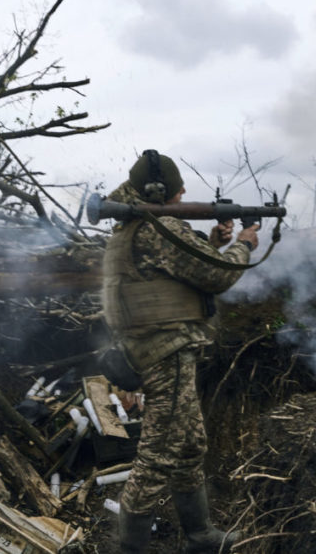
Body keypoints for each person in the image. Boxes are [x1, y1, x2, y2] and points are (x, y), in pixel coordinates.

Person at [101, 149, 258, 553]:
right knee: (158, 456)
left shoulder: (135, 225)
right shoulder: (158, 226)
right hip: (164, 351)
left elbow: (177, 274)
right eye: (177, 187)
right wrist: (244, 244)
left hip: (155, 346)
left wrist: (210, 241)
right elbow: (217, 276)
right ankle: (130, 549)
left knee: (189, 445)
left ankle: (201, 536)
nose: (185, 191)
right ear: (159, 191)